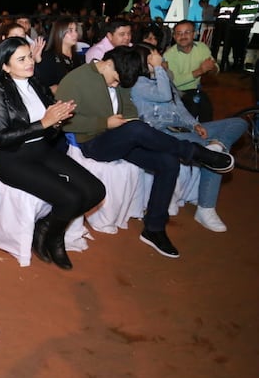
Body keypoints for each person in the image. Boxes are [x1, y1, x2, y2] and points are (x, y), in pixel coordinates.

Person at [56, 46, 235, 258]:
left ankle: (154, 229)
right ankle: (196, 152)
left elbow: (130, 110)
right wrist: (104, 122)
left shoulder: (121, 76)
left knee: (168, 162)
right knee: (137, 129)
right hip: (93, 143)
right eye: (114, 80)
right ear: (108, 63)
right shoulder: (75, 80)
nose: (115, 85)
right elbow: (63, 123)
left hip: (122, 137)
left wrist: (125, 121)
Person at [0, 37, 105, 269]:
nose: (30, 62)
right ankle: (53, 237)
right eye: (21, 59)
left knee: (96, 191)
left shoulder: (35, 84)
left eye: (29, 56)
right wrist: (44, 123)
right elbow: (1, 138)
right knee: (71, 198)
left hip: (41, 150)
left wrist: (58, 120)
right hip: (12, 158)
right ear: (6, 66)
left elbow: (49, 130)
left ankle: (46, 227)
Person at [130, 42, 246, 232]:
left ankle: (216, 147)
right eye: (153, 55)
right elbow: (164, 95)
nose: (159, 56)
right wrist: (160, 68)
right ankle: (206, 208)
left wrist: (195, 124)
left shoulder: (162, 78)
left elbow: (178, 107)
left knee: (238, 123)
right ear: (144, 61)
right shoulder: (138, 84)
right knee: (215, 159)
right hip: (166, 135)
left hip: (186, 130)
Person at [163, 20, 219, 123]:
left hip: (196, 90)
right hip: (175, 93)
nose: (183, 36)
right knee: (195, 105)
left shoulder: (202, 48)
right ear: (174, 37)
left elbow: (215, 68)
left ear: (194, 34)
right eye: (179, 33)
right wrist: (200, 70)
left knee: (206, 107)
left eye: (187, 32)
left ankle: (205, 133)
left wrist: (212, 68)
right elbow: (175, 82)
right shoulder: (169, 55)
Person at [34, 15, 85, 95]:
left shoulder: (77, 57)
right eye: (70, 31)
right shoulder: (49, 57)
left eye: (76, 30)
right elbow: (47, 88)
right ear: (60, 32)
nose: (75, 34)